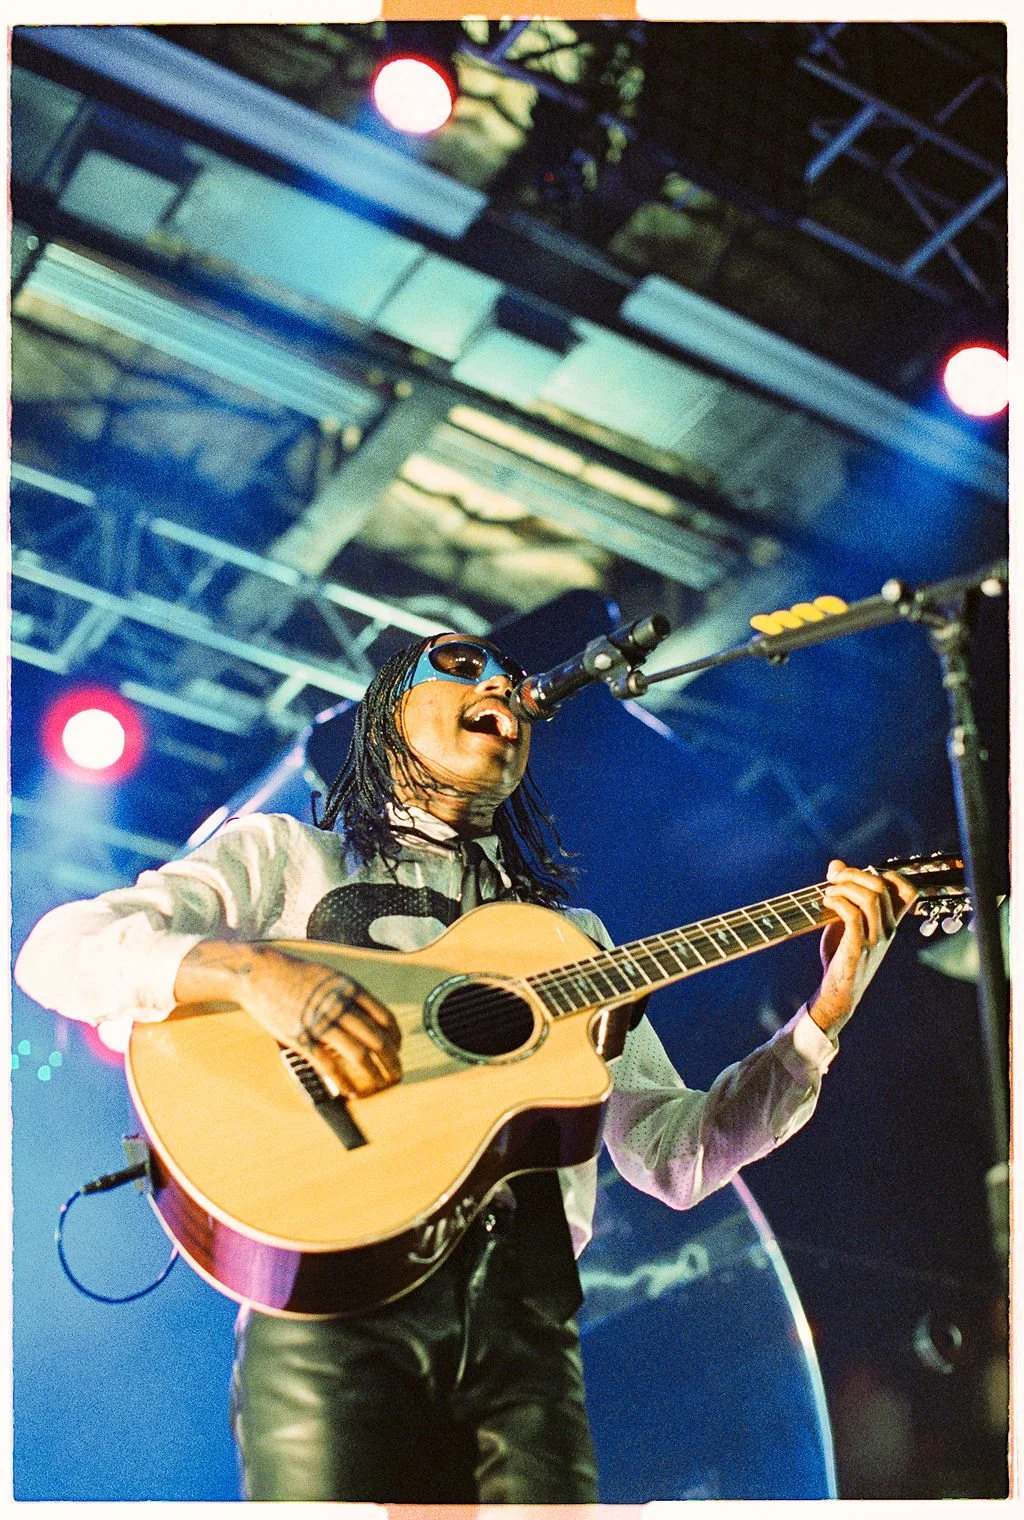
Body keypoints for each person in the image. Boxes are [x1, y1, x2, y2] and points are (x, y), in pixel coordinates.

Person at [15, 631, 917, 1504]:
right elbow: (55, 952)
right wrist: (253, 973)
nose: (498, 688)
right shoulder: (284, 856)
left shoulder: (570, 942)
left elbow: (675, 1160)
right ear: (388, 717)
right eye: (458, 666)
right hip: (334, 1303)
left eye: (509, 680)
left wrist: (821, 1020)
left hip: (524, 1319)